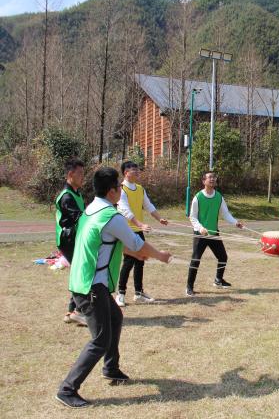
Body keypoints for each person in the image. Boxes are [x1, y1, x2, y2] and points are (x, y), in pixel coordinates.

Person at [55, 167, 172, 409]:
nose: (121, 190)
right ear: (111, 191)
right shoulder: (112, 215)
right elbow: (136, 242)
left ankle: (111, 368)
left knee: (115, 317)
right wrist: (160, 255)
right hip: (90, 285)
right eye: (118, 187)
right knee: (100, 340)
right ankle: (67, 389)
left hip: (86, 281)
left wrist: (134, 253)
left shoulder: (91, 209)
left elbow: (109, 241)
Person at [116, 161, 168, 307]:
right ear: (126, 172)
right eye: (134, 170)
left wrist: (159, 218)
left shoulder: (140, 189)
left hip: (138, 231)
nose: (137, 172)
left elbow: (148, 205)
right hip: (126, 230)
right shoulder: (121, 189)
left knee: (140, 261)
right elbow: (124, 210)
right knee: (129, 262)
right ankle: (120, 294)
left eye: (137, 169)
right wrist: (140, 224)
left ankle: (138, 293)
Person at [186, 171, 244, 296]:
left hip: (214, 233)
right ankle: (189, 287)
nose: (212, 179)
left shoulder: (219, 197)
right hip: (200, 234)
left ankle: (218, 280)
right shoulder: (198, 197)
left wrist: (235, 222)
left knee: (223, 257)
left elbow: (225, 213)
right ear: (204, 181)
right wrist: (200, 228)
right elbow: (192, 217)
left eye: (214, 177)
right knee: (195, 260)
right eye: (210, 177)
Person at [55, 158, 87, 326]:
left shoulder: (77, 193)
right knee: (82, 273)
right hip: (68, 240)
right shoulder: (67, 196)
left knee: (79, 272)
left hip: (74, 238)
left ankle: (71, 311)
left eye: (83, 173)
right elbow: (79, 217)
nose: (83, 177)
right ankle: (78, 311)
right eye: (80, 173)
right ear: (70, 174)